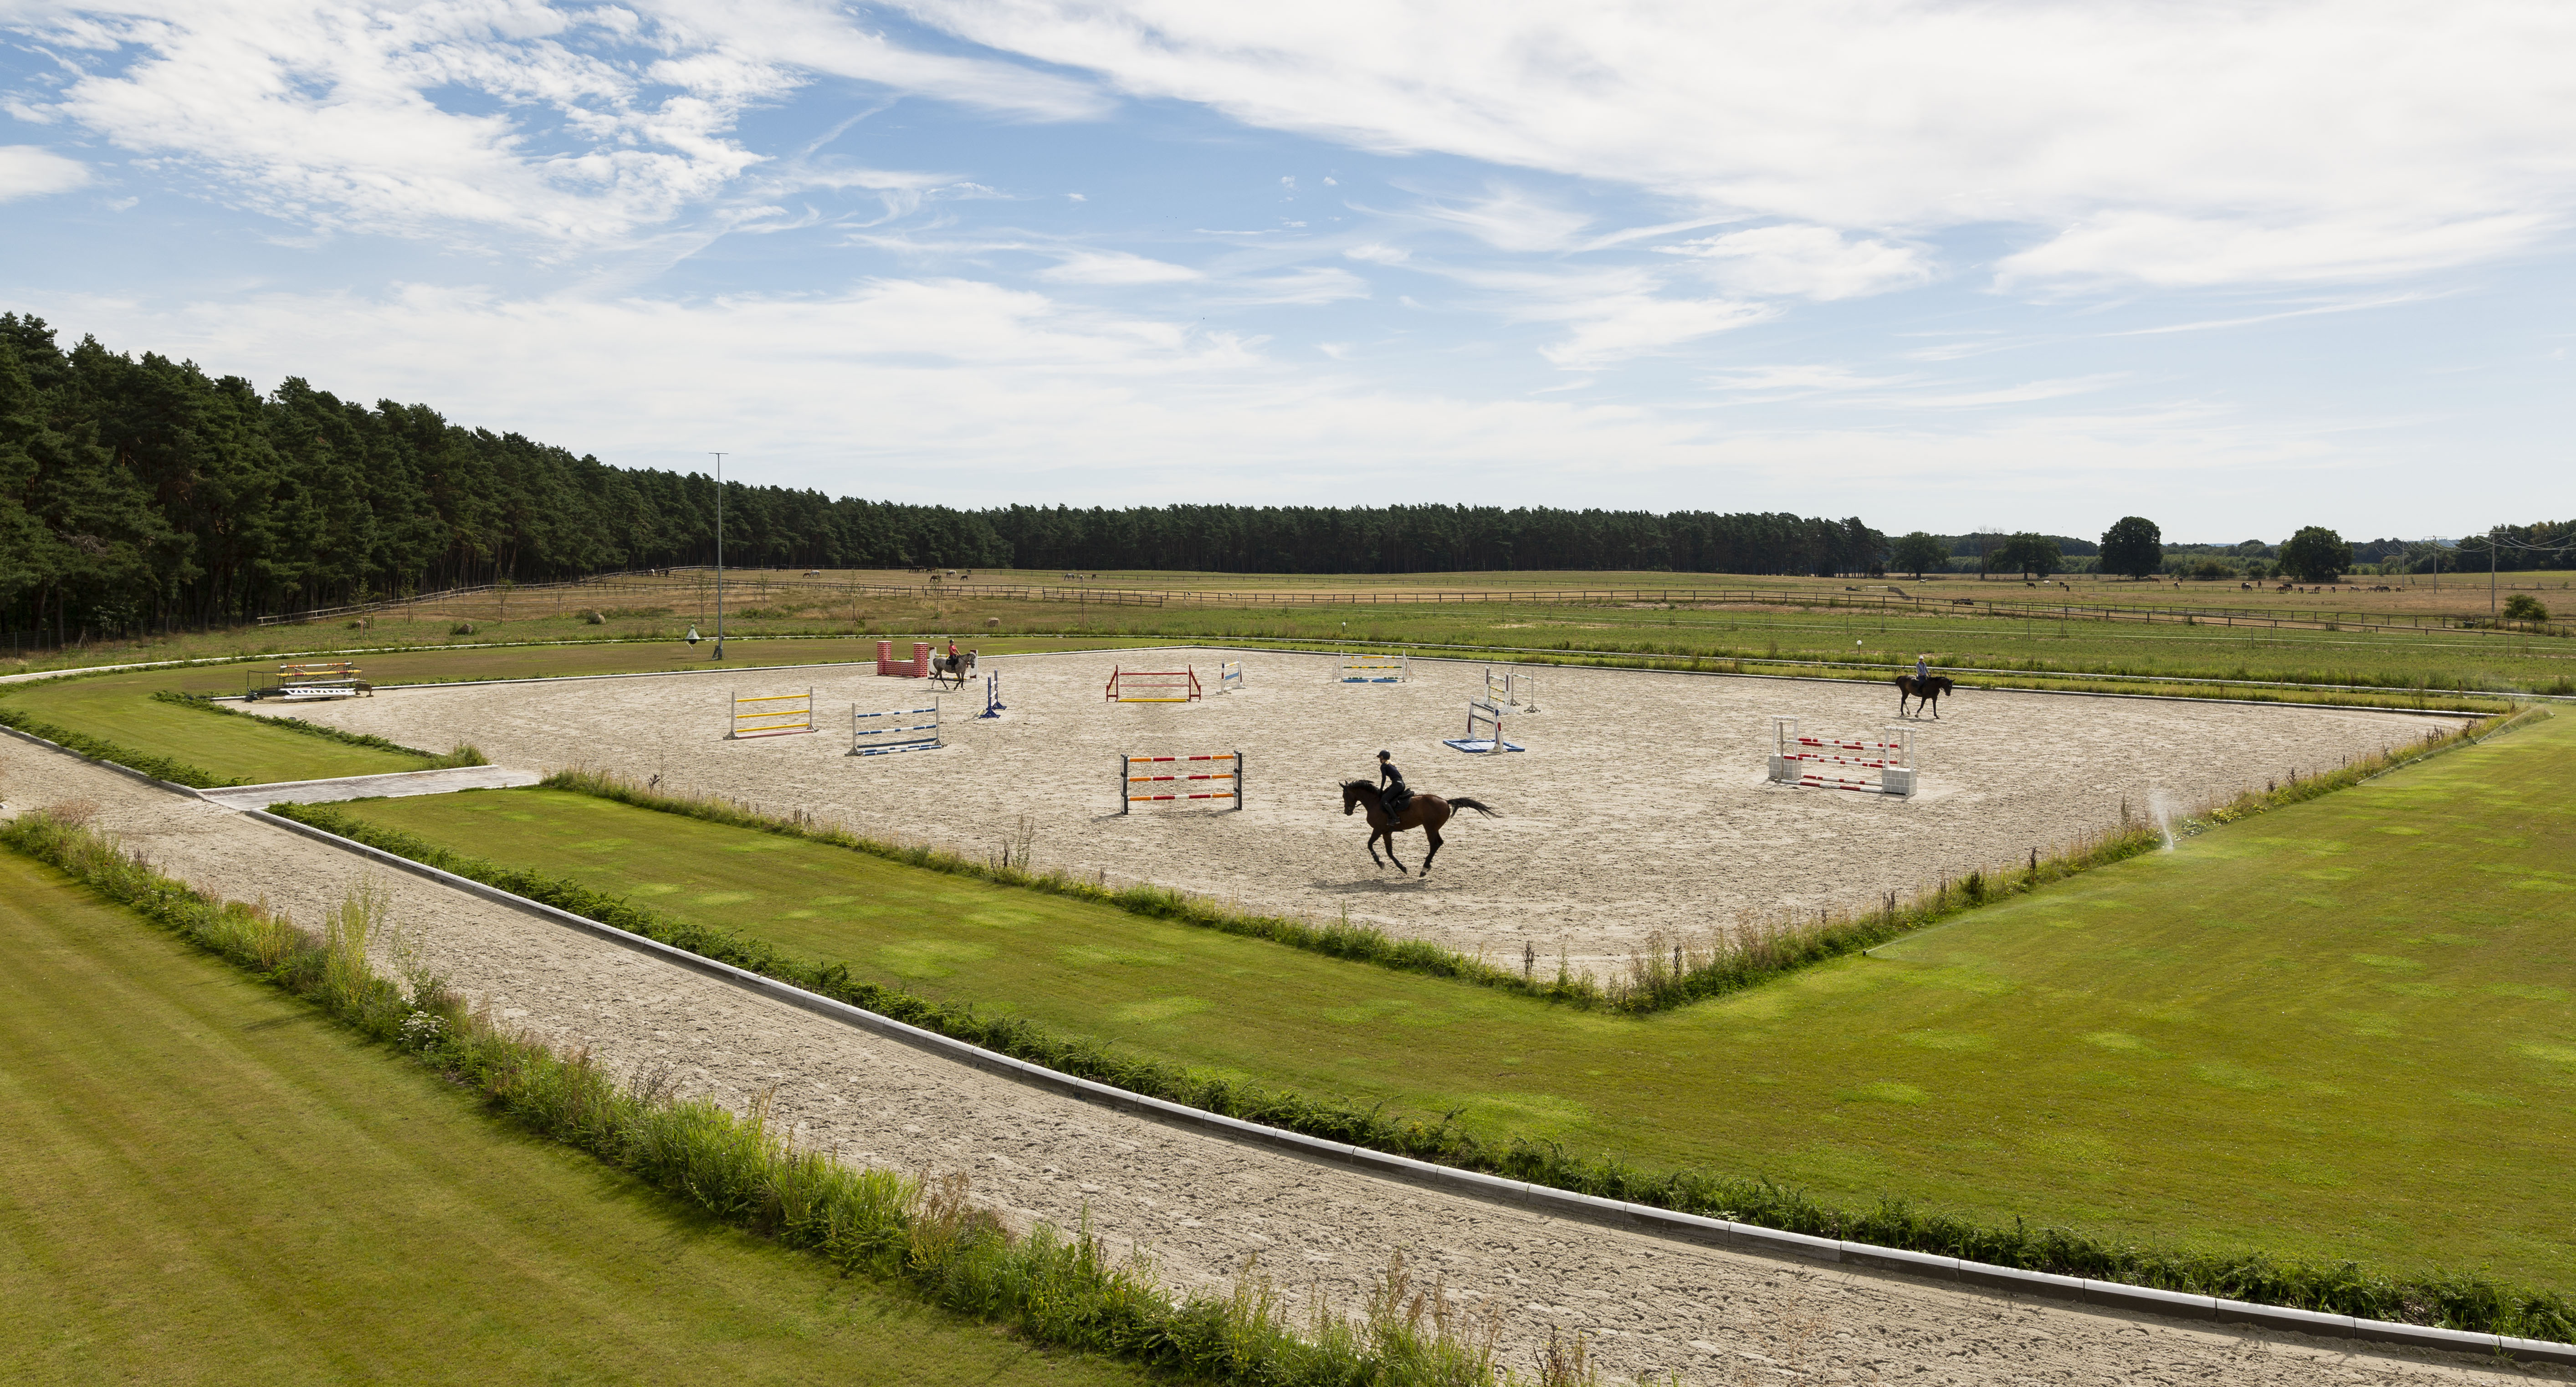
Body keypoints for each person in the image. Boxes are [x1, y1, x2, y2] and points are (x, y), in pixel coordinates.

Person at [1377, 750, 1410, 819]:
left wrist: (1381, 790)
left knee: (1384, 801)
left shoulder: (1384, 766)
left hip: (1397, 785)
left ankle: (1395, 818)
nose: (1380, 759)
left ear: (1382, 757)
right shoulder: (1391, 765)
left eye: (1380, 757)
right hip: (1401, 784)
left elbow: (1384, 779)